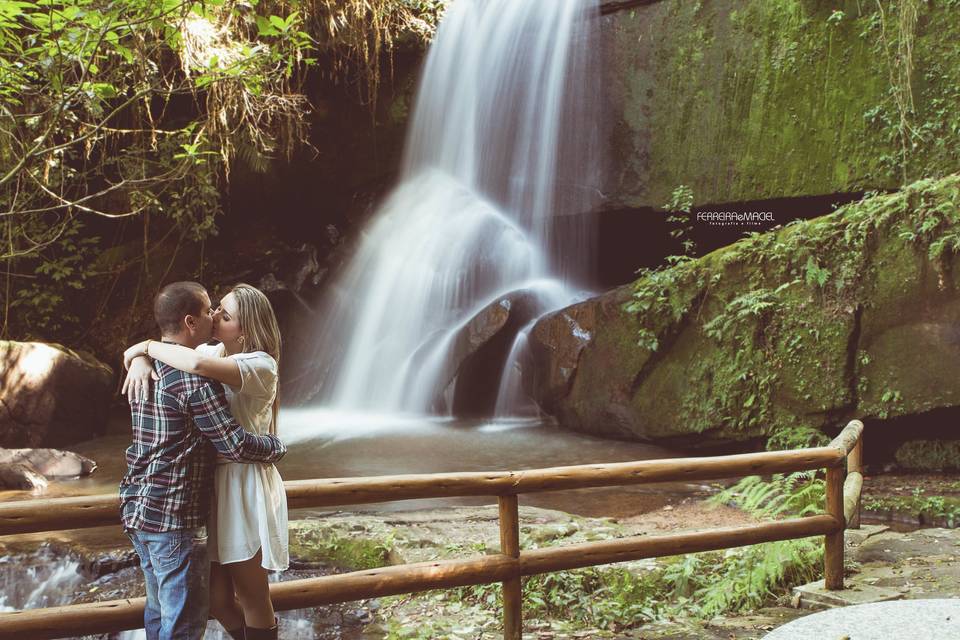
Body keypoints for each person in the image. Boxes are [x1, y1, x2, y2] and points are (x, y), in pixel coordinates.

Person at [119, 281, 287, 640]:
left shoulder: (258, 364)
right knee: (215, 597)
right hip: (207, 489)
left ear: (245, 329)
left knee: (251, 594)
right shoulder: (214, 354)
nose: (213, 316)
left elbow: (189, 358)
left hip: (243, 482)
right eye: (213, 310)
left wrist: (149, 348)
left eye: (224, 314)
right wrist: (141, 355)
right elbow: (182, 349)